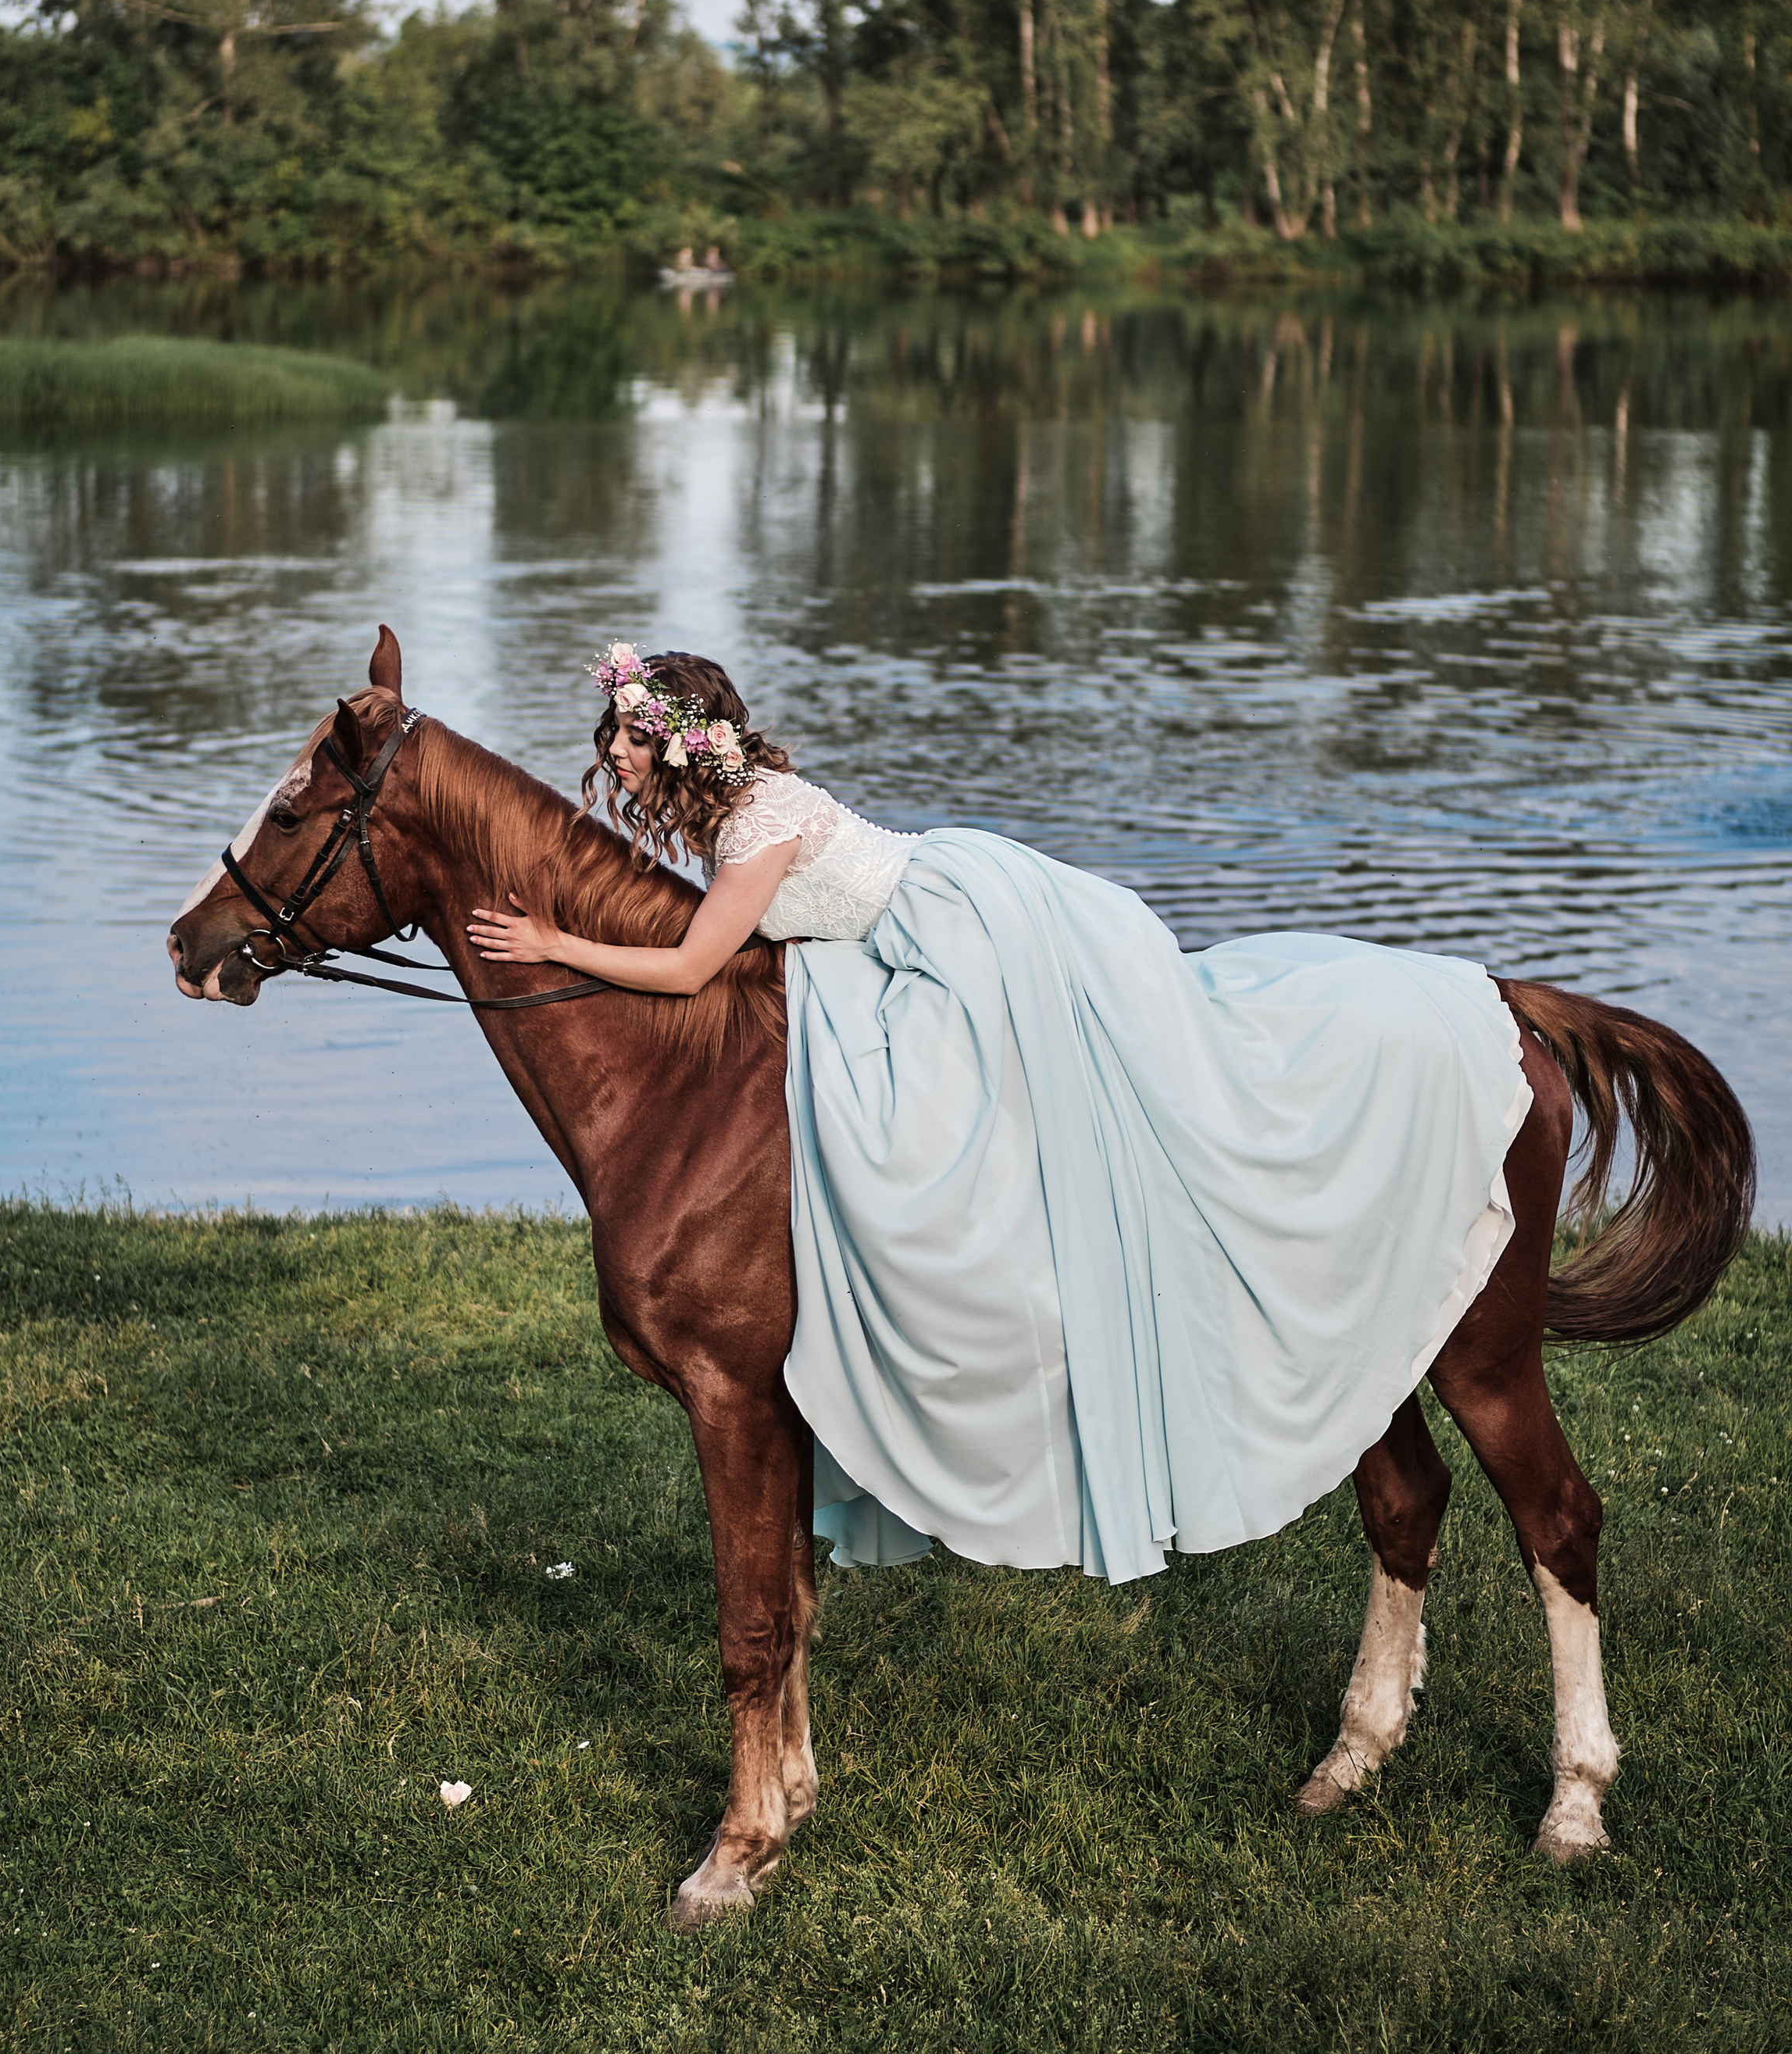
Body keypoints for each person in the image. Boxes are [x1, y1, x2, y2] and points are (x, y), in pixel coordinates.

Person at [469, 645, 1532, 1586]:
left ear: (677, 744)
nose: (611, 752)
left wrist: (552, 949)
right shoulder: (732, 811)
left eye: (625, 734)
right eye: (612, 733)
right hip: (883, 948)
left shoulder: (755, 822)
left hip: (951, 932)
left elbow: (700, 964)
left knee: (974, 1108)